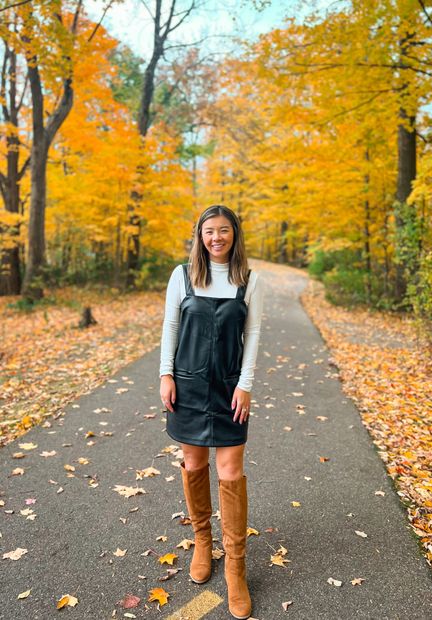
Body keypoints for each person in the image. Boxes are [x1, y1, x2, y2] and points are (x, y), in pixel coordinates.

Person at [159, 204, 264, 620]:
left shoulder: (250, 281)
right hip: (187, 383)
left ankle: (235, 568)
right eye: (208, 231)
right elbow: (170, 326)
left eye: (223, 230)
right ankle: (204, 541)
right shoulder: (182, 276)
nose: (216, 237)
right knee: (193, 461)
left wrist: (246, 384)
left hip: (228, 388)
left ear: (234, 234)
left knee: (231, 472)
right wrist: (166, 375)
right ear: (199, 237)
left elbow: (252, 333)